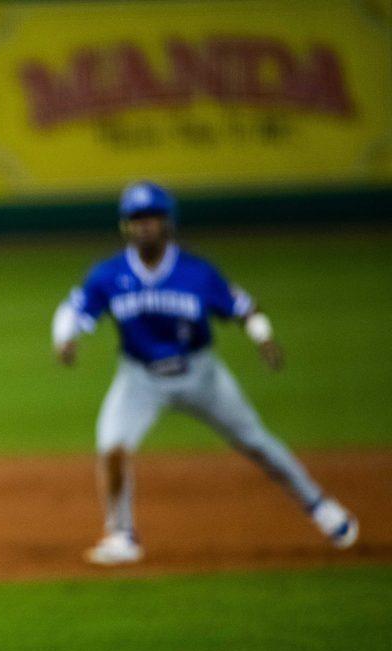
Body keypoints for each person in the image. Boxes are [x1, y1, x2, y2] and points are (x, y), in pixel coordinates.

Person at [51, 180, 359, 565]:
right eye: (137, 219)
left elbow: (244, 306)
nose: (145, 226)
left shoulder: (196, 272)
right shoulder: (108, 275)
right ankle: (121, 535)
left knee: (257, 442)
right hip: (140, 378)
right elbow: (74, 310)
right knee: (112, 446)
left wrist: (262, 337)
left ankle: (321, 508)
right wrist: (65, 339)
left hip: (202, 375)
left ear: (168, 224)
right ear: (125, 226)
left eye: (153, 218)